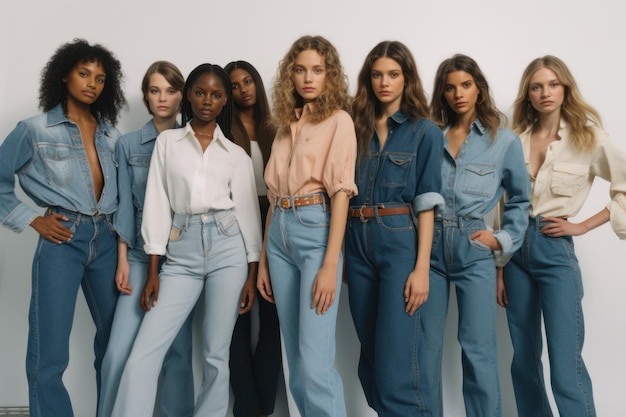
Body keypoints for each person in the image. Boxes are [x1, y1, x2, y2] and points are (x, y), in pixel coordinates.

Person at [111, 63, 261, 417]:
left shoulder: (236, 155)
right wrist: (152, 269)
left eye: (215, 94)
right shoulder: (168, 143)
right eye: (199, 92)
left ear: (225, 100)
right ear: (188, 96)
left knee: (215, 353)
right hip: (181, 251)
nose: (207, 100)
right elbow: (157, 205)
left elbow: (249, 218)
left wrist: (252, 274)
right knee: (144, 351)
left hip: (229, 248)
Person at [0, 38, 125, 417]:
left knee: (117, 343)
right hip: (63, 239)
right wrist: (33, 219)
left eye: (101, 78)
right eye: (84, 73)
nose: (92, 83)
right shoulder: (35, 129)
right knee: (49, 350)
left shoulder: (111, 134)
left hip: (107, 240)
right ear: (64, 76)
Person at [497, 55, 626, 417]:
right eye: (536, 86)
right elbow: (500, 205)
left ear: (565, 88)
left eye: (553, 84)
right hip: (515, 251)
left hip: (555, 252)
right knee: (523, 360)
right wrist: (499, 267)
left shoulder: (588, 137)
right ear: (529, 94)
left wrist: (583, 225)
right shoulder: (513, 141)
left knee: (565, 363)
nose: (545, 93)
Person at [421, 54, 530, 417]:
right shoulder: (428, 137)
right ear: (442, 93)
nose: (458, 94)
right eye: (449, 88)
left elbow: (519, 200)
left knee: (478, 348)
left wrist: (502, 240)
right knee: (424, 348)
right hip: (429, 249)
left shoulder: (504, 142)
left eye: (465, 85)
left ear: (479, 88)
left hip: (474, 248)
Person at [257, 35, 357, 417]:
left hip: (316, 232)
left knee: (315, 364)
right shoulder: (285, 125)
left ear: (330, 75)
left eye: (317, 70)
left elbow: (341, 194)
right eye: (300, 70)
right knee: (296, 363)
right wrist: (265, 260)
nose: (308, 78)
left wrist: (331, 264)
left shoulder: (338, 121)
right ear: (290, 76)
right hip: (279, 231)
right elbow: (273, 197)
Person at [344, 41, 443, 416]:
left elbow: (427, 203)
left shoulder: (424, 132)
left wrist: (421, 268)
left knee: (396, 359)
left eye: (393, 74)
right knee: (370, 359)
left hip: (399, 240)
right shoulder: (353, 127)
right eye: (377, 75)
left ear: (407, 78)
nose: (384, 83)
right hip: (356, 241)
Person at [98, 61, 194, 417]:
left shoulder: (191, 141)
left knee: (178, 352)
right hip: (138, 257)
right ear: (145, 96)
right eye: (155, 91)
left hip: (182, 260)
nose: (162, 98)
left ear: (182, 96)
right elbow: (123, 205)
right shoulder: (127, 145)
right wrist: (122, 259)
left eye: (170, 90)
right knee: (117, 351)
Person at [225, 60, 282, 417]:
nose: (244, 89)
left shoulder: (278, 128)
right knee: (237, 320)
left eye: (249, 81)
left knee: (274, 321)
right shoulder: (223, 130)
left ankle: (262, 406)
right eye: (235, 84)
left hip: (275, 221)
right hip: (234, 223)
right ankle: (247, 408)